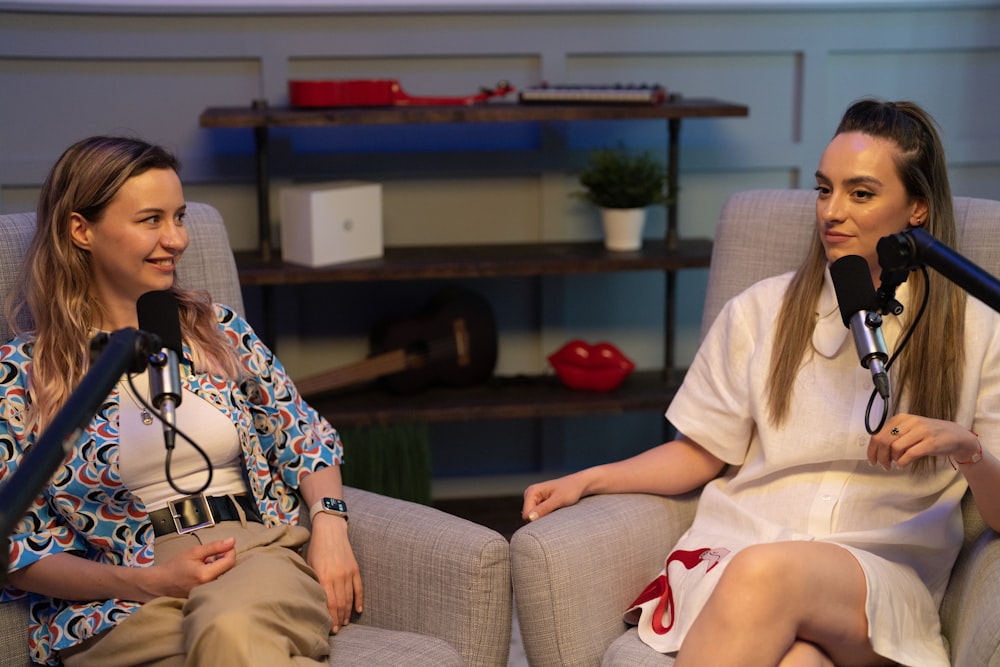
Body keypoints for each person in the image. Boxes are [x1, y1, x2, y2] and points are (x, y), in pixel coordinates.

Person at [522, 99, 1000, 667]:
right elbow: (701, 453)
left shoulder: (978, 329)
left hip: (876, 584)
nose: (832, 212)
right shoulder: (761, 311)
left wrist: (965, 447)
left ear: (917, 208)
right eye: (825, 190)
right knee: (801, 661)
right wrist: (591, 479)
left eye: (861, 193)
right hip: (742, 554)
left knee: (769, 572)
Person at [0, 136, 363, 666]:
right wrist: (148, 583)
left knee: (232, 630)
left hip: (247, 557)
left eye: (179, 217)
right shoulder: (19, 375)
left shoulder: (217, 331)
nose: (176, 239)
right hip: (116, 601)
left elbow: (303, 438)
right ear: (81, 230)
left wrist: (330, 526)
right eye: (151, 220)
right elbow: (20, 546)